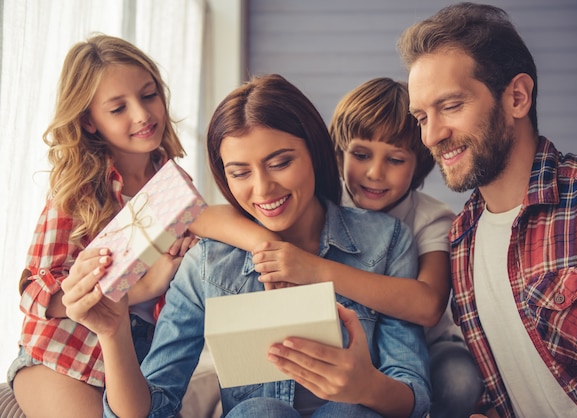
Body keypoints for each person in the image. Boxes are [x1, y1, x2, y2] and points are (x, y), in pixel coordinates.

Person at [61, 73, 431, 418]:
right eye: (240, 172)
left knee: (348, 411)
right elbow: (156, 406)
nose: (263, 189)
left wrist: (367, 386)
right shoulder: (207, 265)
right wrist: (114, 334)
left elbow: (414, 394)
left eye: (281, 162)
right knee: (260, 411)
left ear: (316, 153)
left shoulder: (387, 241)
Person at [190, 77, 483, 417]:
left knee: (458, 381)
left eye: (395, 160)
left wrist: (315, 269)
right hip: (345, 357)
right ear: (339, 152)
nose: (374, 173)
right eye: (360, 154)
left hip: (427, 344)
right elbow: (199, 217)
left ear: (420, 166)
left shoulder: (430, 218)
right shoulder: (324, 199)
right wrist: (263, 242)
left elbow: (428, 305)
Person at [396, 2, 577, 417]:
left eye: (450, 106)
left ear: (517, 97)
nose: (431, 135)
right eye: (421, 116)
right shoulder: (461, 241)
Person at [8, 34, 197, 418]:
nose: (142, 115)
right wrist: (138, 286)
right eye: (118, 108)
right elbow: (31, 290)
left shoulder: (178, 185)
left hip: (137, 361)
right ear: (89, 123)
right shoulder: (77, 190)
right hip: (63, 356)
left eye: (148, 96)